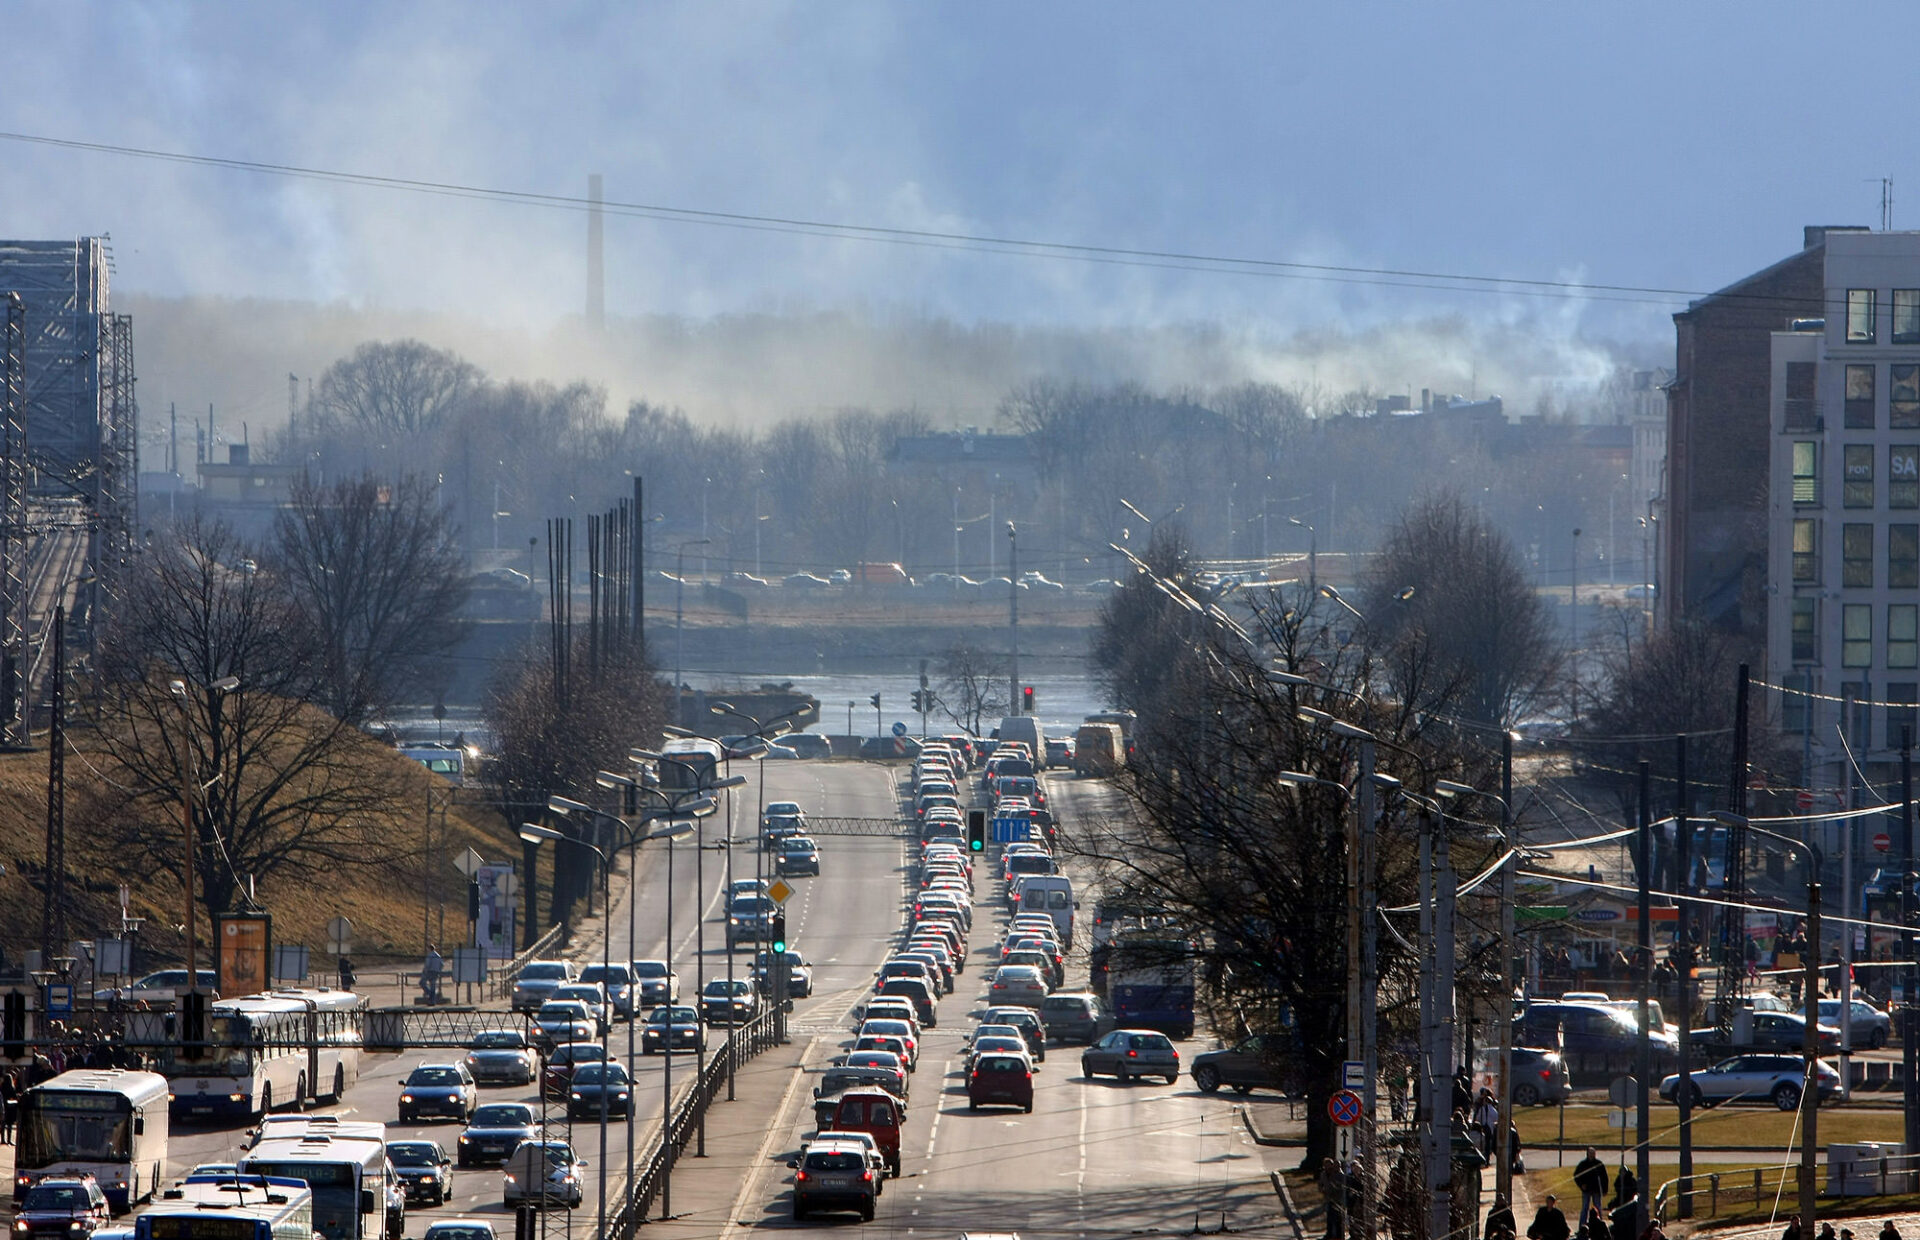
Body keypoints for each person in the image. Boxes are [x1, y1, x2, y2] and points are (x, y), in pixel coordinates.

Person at [1574, 1147, 1610, 1222]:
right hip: (1586, 1190)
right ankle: (1582, 1225)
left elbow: (1604, 1177)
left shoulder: (1598, 1164)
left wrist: (1605, 1190)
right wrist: (1581, 1185)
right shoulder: (1582, 1164)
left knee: (1598, 1207)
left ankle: (1599, 1223)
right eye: (1590, 1153)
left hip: (1596, 1189)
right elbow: (1576, 1175)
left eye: (1593, 1153)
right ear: (1587, 1154)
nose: (1592, 1155)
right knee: (1585, 1208)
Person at [1318, 1157, 1346, 1240]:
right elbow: (1320, 1184)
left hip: (1337, 1199)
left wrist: (1331, 1190)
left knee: (1338, 1218)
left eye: (1330, 1165)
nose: (1328, 1167)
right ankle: (1329, 1234)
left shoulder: (1336, 1174)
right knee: (1329, 1218)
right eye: (1326, 1165)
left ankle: (1338, 1235)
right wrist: (1321, 1189)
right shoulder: (1323, 1174)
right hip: (1328, 1199)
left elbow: (1339, 1186)